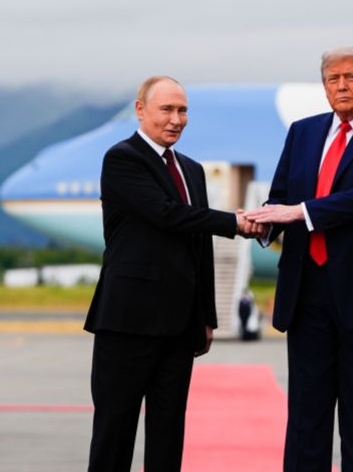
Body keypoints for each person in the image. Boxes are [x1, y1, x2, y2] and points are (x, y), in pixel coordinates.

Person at [245, 47, 353, 471]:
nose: (341, 86)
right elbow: (282, 194)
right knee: (306, 416)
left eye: (350, 77)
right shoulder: (303, 132)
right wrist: (268, 221)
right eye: (332, 78)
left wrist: (301, 213)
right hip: (307, 291)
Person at [83, 76, 266, 471]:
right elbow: (167, 215)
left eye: (182, 110)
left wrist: (206, 318)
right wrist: (235, 222)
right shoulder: (123, 158)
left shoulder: (192, 170)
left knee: (169, 434)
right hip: (127, 322)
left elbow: (198, 245)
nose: (176, 119)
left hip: (179, 326)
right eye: (166, 109)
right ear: (141, 109)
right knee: (115, 431)